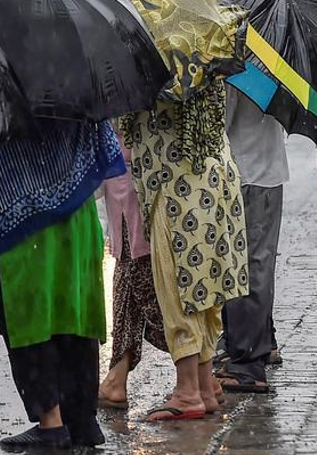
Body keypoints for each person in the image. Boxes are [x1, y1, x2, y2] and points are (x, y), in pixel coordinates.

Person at [0, 120, 124, 449]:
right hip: (75, 210)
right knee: (72, 310)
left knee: (28, 316)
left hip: (18, 216)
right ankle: (81, 418)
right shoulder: (74, 76)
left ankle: (51, 421)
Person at [121, 80, 250, 418]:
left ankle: (187, 390)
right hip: (214, 173)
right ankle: (205, 385)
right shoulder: (205, 47)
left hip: (177, 183)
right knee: (205, 289)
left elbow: (130, 111)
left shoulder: (161, 60)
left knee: (179, 289)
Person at [216, 87, 287, 390]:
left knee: (244, 267)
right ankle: (259, 342)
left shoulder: (239, 72)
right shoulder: (278, 69)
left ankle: (247, 364)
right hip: (269, 170)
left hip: (244, 174)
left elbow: (220, 124)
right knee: (259, 262)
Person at [97, 129, 168, 410]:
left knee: (145, 288)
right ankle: (117, 376)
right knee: (127, 285)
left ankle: (198, 366)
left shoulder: (128, 94)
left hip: (137, 192)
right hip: (127, 191)